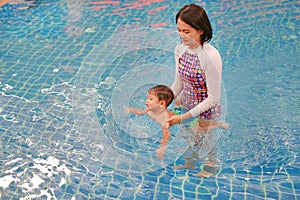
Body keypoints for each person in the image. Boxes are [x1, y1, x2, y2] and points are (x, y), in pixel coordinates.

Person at [166, 3, 227, 177]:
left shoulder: (211, 56)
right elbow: (178, 82)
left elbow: (214, 98)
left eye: (186, 31)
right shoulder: (179, 50)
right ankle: (189, 163)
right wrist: (164, 102)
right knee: (188, 138)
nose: (181, 35)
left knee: (206, 140)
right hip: (187, 102)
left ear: (200, 30)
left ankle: (211, 166)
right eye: (179, 30)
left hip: (207, 108)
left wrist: (185, 116)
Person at [126, 85, 228, 160]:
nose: (147, 101)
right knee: (190, 114)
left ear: (161, 103)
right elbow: (140, 112)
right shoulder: (150, 110)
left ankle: (218, 124)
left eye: (151, 99)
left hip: (185, 120)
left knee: (199, 134)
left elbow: (166, 135)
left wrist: (161, 148)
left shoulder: (165, 119)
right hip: (177, 112)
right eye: (147, 98)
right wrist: (129, 109)